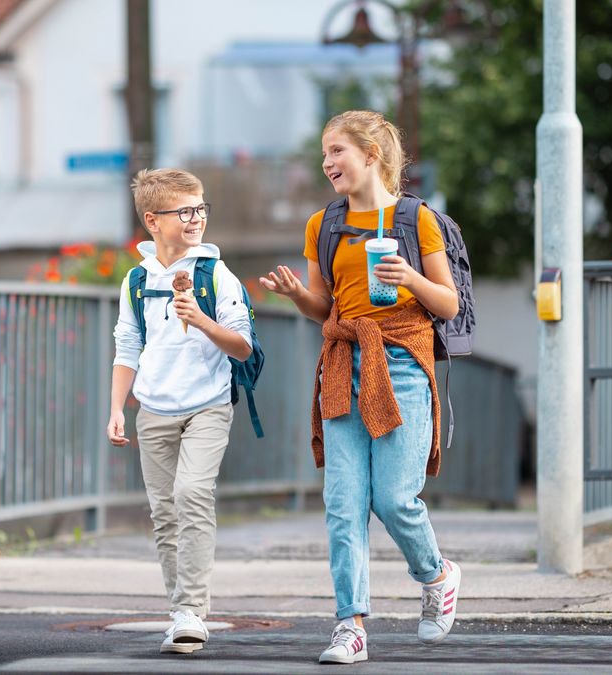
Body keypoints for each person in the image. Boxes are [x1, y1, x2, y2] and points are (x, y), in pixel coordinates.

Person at [259, 110, 463, 665]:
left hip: (401, 361)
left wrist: (409, 277)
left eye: (337, 151)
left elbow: (448, 303)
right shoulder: (322, 225)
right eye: (324, 154)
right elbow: (325, 307)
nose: (328, 163)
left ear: (371, 154)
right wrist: (297, 295)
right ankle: (349, 626)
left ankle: (437, 575)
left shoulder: (415, 220)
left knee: (394, 497)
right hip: (343, 360)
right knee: (343, 503)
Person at [107, 168, 254, 656]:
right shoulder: (136, 279)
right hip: (152, 409)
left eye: (201, 208)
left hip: (208, 406)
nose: (196, 219)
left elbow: (243, 347)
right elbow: (127, 344)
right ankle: (179, 614)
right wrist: (116, 410)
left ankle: (193, 610)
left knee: (192, 493)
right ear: (153, 220)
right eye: (184, 211)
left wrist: (203, 321)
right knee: (164, 513)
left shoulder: (217, 274)